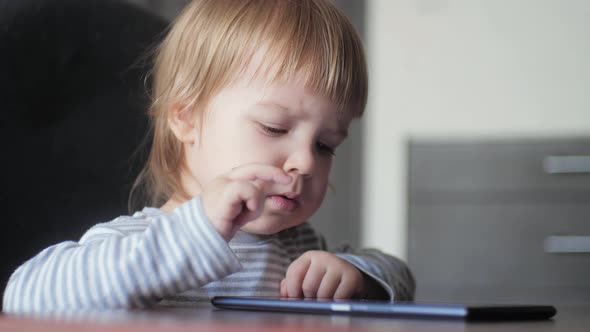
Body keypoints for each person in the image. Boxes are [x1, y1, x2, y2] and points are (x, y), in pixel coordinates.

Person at [3, 0, 415, 313]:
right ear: (187, 118)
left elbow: (400, 276)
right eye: (274, 127)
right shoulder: (142, 241)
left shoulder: (299, 247)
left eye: (326, 145)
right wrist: (195, 235)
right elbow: (25, 295)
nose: (305, 162)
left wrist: (358, 277)